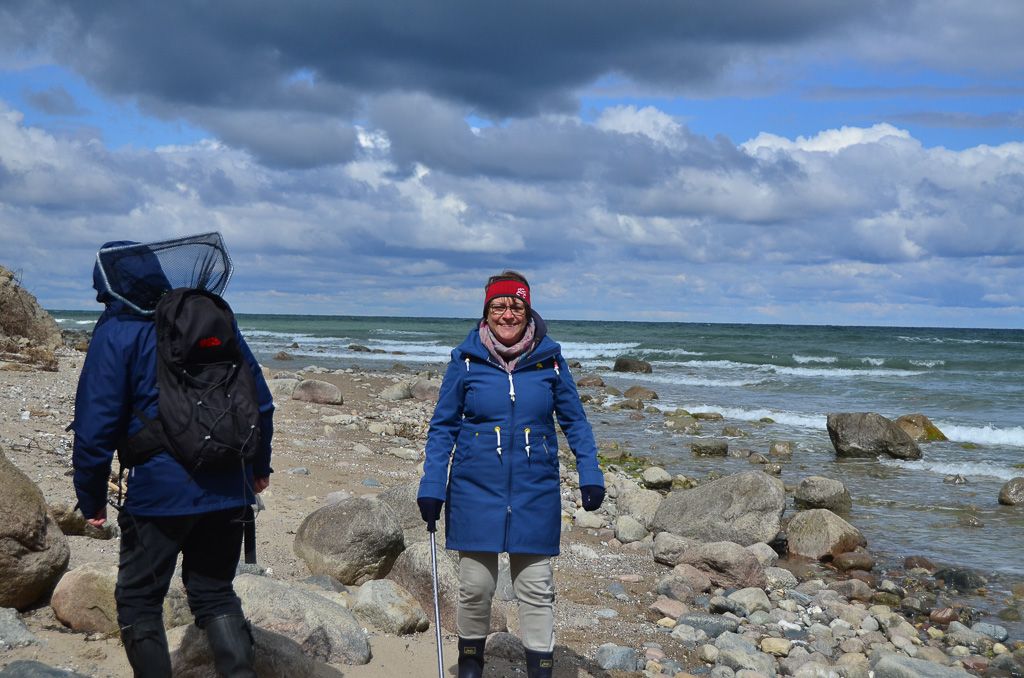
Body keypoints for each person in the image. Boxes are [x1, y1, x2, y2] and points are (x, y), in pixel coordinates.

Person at [71, 240, 274, 678]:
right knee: (215, 593)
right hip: (229, 484)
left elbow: (95, 424)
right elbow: (260, 402)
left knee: (139, 600)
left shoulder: (117, 330)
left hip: (159, 492)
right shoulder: (208, 317)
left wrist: (91, 499)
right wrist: (259, 468)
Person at [417, 271, 605, 678]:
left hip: (534, 491)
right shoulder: (465, 361)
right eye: (499, 306)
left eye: (516, 306)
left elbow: (575, 421)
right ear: (486, 312)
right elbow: (442, 427)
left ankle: (540, 670)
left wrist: (590, 472)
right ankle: (471, 666)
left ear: (528, 310)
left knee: (536, 588)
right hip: (474, 489)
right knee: (475, 587)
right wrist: (432, 485)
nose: (507, 314)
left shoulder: (551, 361)